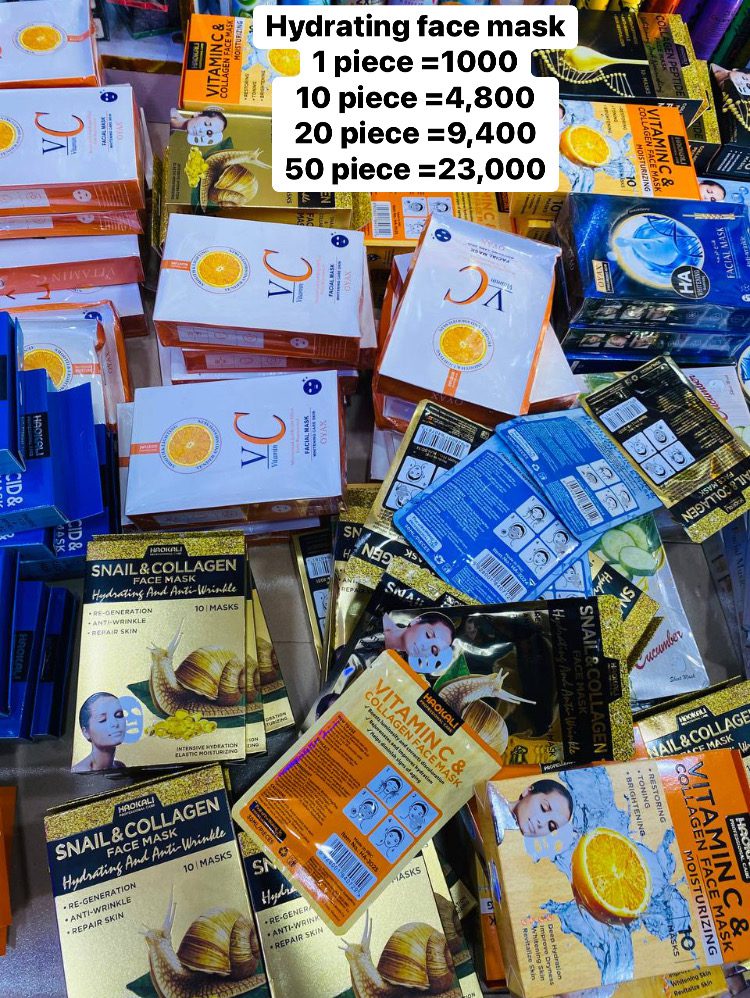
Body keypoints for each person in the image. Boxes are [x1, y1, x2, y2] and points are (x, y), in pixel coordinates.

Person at [72, 692, 127, 773]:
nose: (115, 723)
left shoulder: (120, 767)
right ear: (86, 732)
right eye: (103, 720)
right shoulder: (81, 772)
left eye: (119, 715)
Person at [383, 611, 455, 664]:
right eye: (428, 635)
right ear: (415, 621)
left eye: (433, 650)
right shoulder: (381, 619)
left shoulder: (394, 664)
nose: (425, 647)